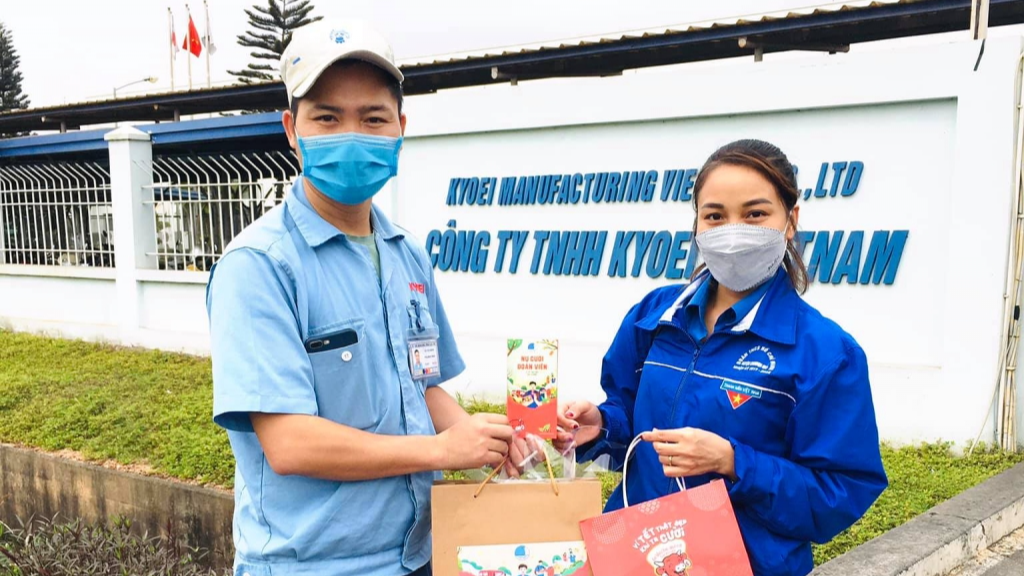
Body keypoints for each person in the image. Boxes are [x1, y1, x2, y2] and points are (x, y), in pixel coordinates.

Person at [206, 18, 515, 576]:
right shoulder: (258, 266)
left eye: (372, 118)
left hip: (416, 555)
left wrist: (480, 436)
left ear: (400, 126)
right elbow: (290, 443)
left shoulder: (407, 255)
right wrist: (442, 452)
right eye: (327, 117)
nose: (352, 134)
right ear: (292, 129)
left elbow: (421, 386)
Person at [557, 139, 888, 576]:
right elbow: (630, 419)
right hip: (640, 555)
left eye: (755, 214)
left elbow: (842, 489)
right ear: (696, 224)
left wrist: (735, 463)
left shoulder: (825, 353)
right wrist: (602, 426)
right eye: (714, 215)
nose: (733, 231)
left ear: (790, 221)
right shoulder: (653, 317)